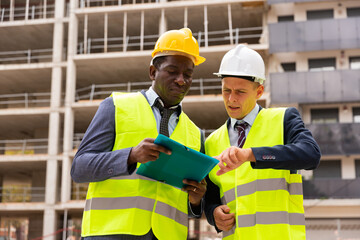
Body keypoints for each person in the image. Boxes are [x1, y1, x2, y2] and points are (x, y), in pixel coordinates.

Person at [71, 28, 207, 240]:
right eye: (172, 71)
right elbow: (79, 168)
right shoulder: (116, 106)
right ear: (153, 72)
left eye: (188, 74)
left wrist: (196, 200)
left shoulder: (195, 133)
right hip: (112, 233)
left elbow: (187, 206)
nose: (181, 80)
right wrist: (131, 155)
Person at [204, 44, 321, 240]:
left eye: (240, 92)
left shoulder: (283, 119)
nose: (231, 99)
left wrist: (250, 155)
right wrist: (213, 213)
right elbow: (211, 196)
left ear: (259, 91)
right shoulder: (211, 142)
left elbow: (311, 154)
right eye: (226, 91)